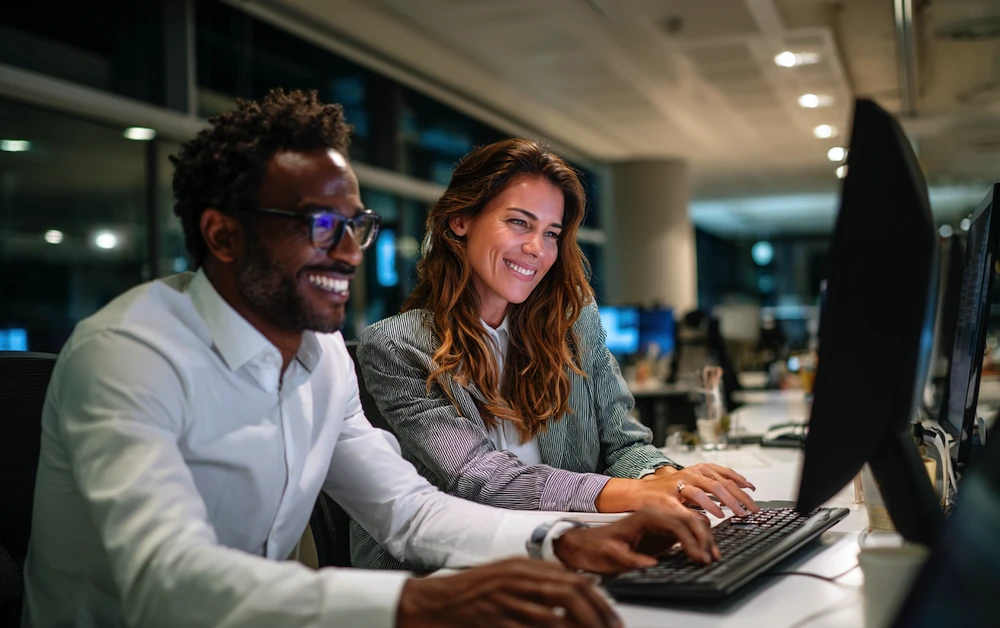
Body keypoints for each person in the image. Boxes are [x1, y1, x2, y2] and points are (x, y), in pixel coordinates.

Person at [20, 89, 719, 628]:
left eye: (357, 224)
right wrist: (413, 605)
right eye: (321, 226)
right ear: (223, 236)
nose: (350, 250)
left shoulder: (322, 356)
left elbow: (407, 511)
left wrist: (562, 543)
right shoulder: (129, 354)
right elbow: (165, 580)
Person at [352, 138, 758, 571]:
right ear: (460, 221)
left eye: (550, 233)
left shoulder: (571, 322)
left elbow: (622, 443)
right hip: (448, 573)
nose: (537, 249)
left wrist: (662, 479)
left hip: (568, 550)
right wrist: (637, 494)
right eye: (519, 223)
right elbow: (482, 480)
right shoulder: (397, 346)